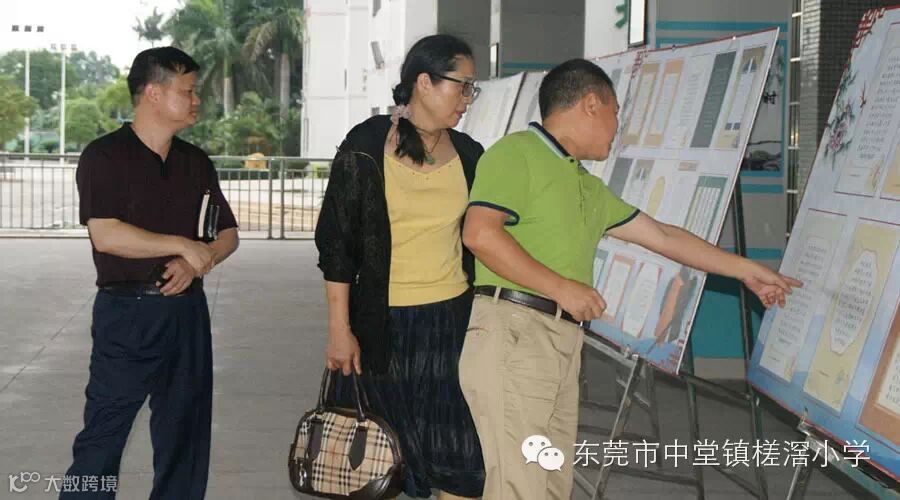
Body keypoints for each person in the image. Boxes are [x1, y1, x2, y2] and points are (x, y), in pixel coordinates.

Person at [458, 58, 802, 499]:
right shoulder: (515, 153)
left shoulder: (584, 184)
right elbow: (480, 234)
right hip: (516, 336)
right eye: (616, 111)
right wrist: (562, 288)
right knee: (518, 488)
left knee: (549, 486)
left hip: (559, 344)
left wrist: (746, 271)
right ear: (591, 104)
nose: (618, 125)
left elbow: (662, 236)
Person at [61, 47, 239, 499]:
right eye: (188, 91)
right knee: (103, 437)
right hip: (127, 316)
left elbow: (227, 234)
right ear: (153, 93)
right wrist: (180, 244)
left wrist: (198, 259)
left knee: (185, 438)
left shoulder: (195, 162)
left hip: (187, 314)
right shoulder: (105, 156)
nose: (197, 100)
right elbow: (106, 234)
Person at [314, 34, 486, 499]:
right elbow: (337, 246)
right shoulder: (366, 145)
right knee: (375, 465)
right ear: (424, 82)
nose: (468, 98)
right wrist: (339, 329)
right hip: (380, 330)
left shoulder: (470, 154)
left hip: (452, 326)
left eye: (472, 88)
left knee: (460, 461)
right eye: (462, 85)